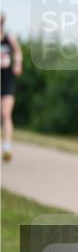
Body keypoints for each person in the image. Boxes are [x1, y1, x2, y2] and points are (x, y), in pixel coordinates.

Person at [1, 12, 24, 162]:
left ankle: (7, 148)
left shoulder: (10, 39)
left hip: (7, 82)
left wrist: (17, 64)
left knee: (6, 113)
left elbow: (18, 52)